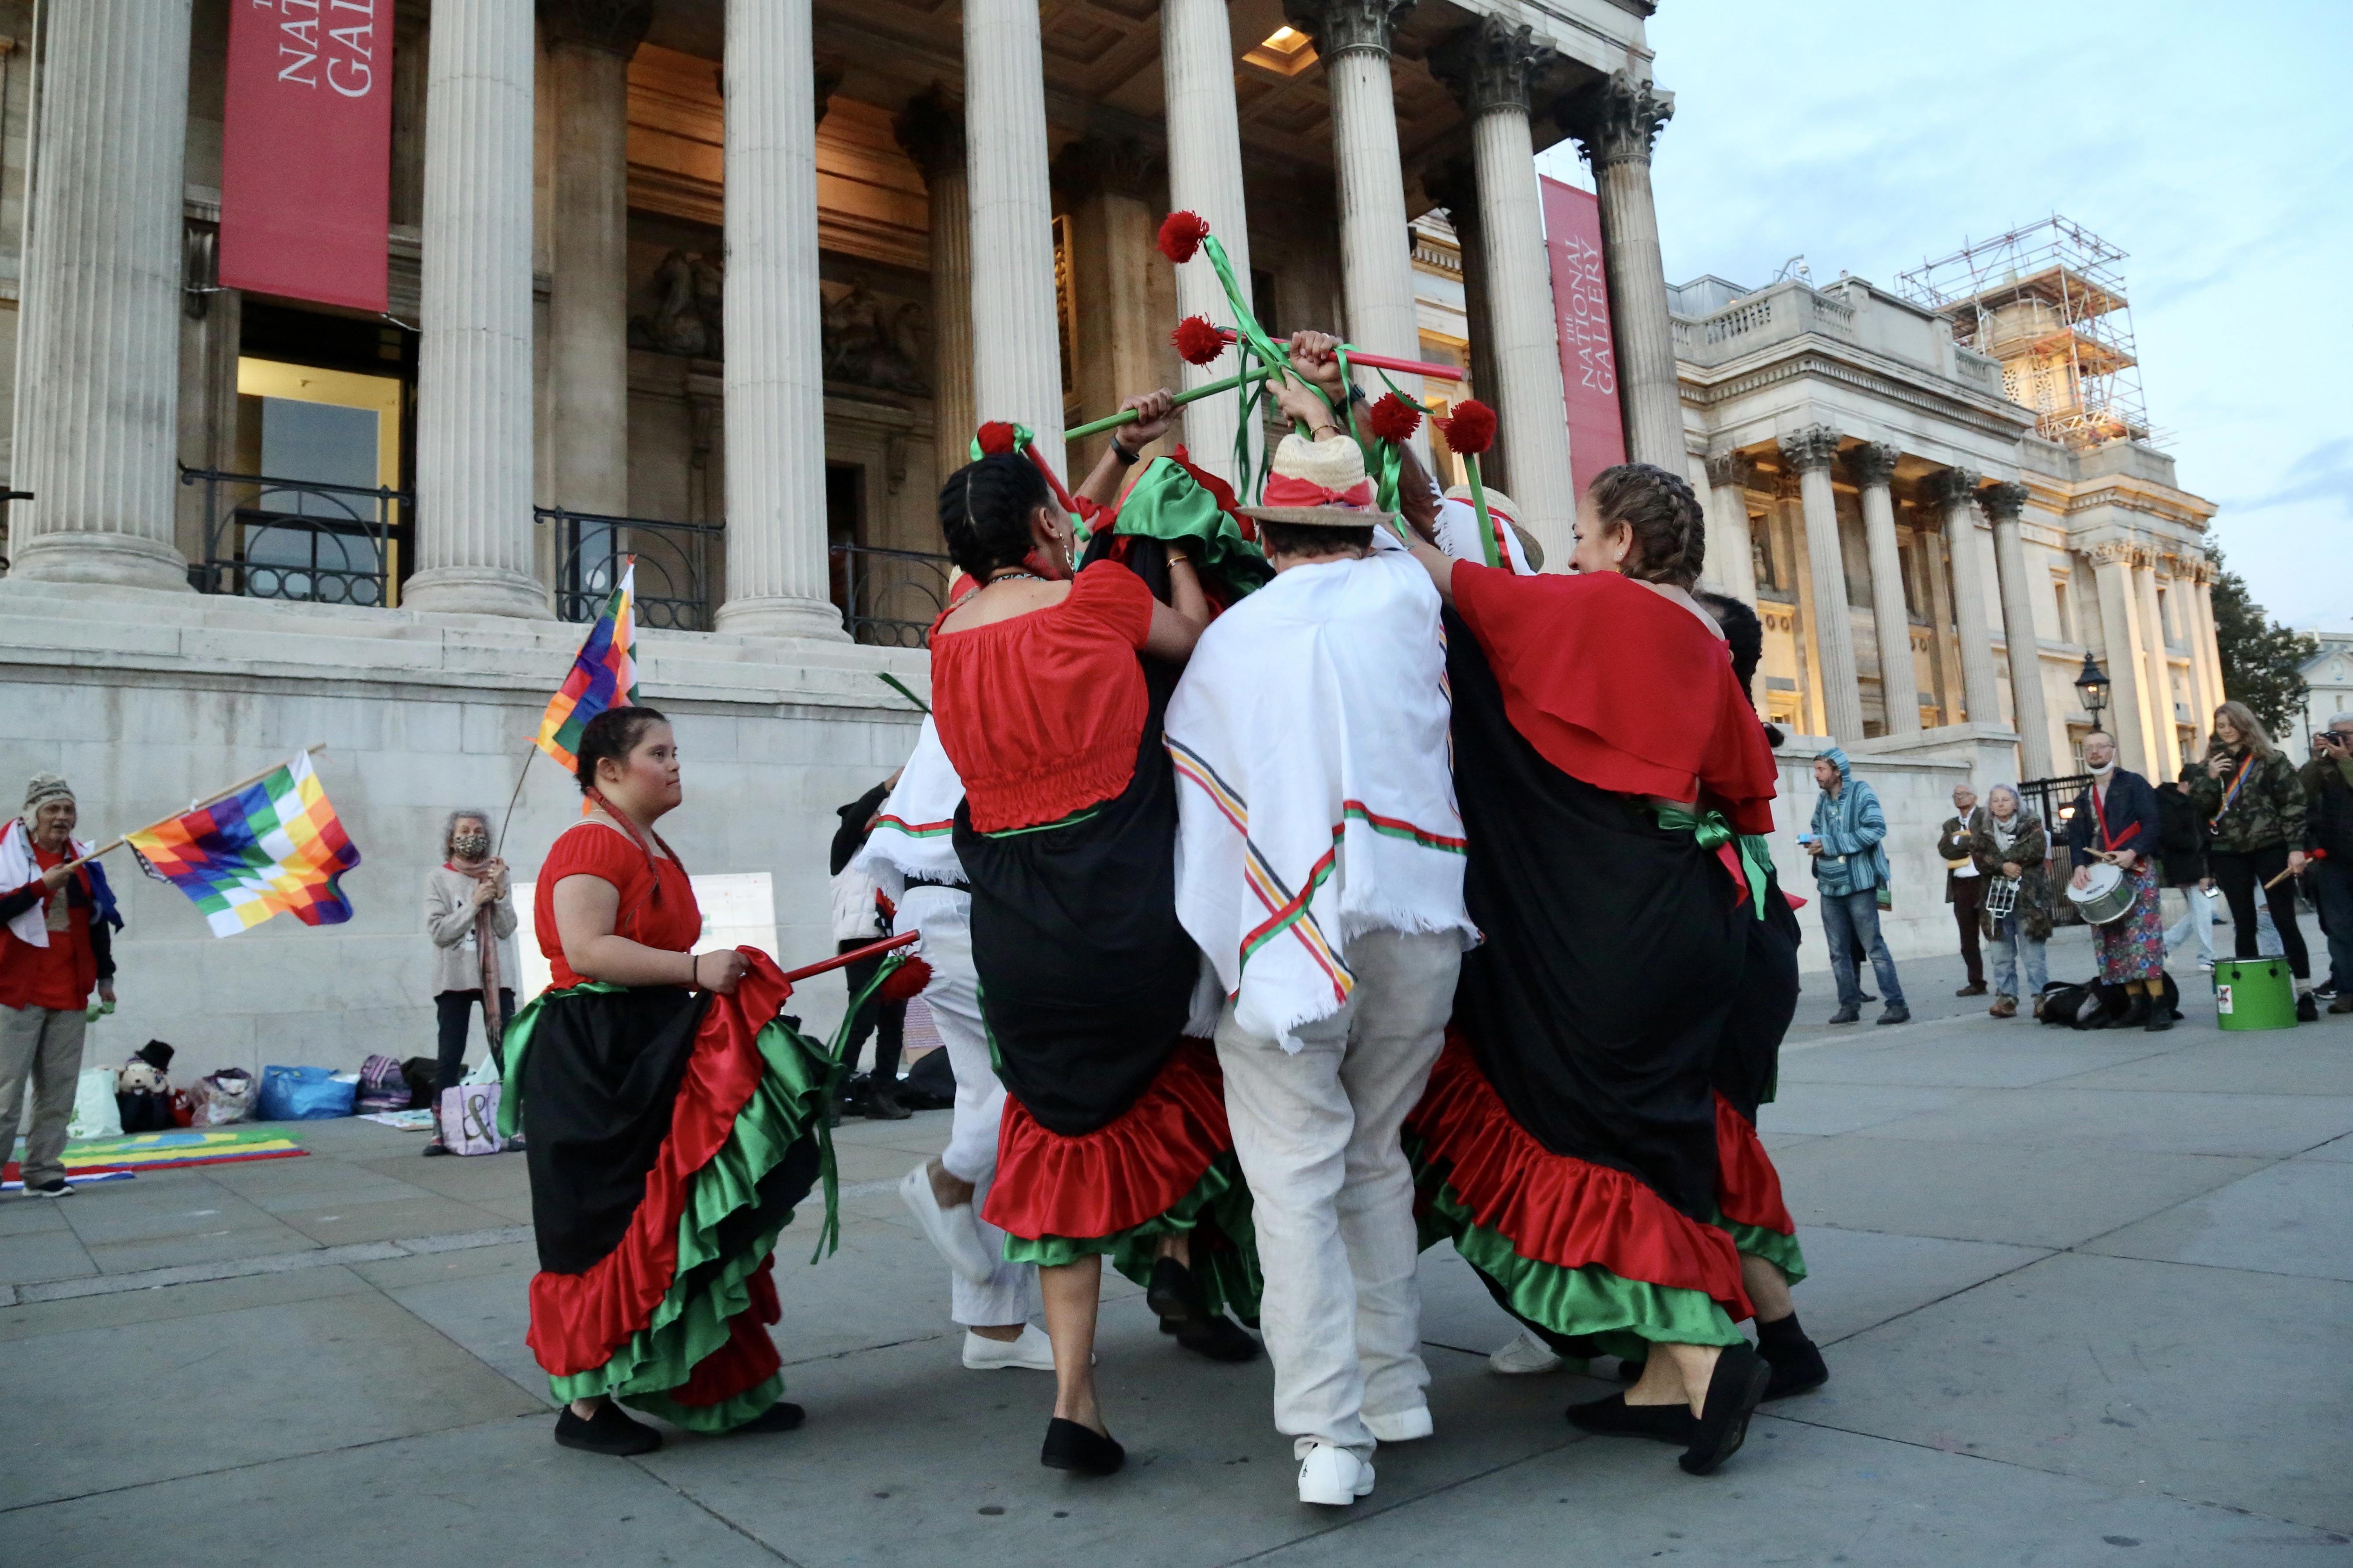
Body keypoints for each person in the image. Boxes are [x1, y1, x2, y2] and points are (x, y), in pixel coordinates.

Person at [1393, 451, 1781, 1479]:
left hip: (1608, 914)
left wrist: (1379, 496)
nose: (1568, 550)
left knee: (1586, 1123)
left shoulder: (1602, 608)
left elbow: (1457, 589)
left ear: (1620, 542)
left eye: (1578, 531)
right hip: (1691, 905)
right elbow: (1747, 791)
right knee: (1658, 1132)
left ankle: (1703, 1358)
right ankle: (1660, 1383)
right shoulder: (1704, 638)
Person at [1162, 348, 1478, 1507]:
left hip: (1289, 934)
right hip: (1416, 914)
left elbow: (1200, 809)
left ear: (1263, 530)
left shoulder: (1231, 644)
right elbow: (1420, 515)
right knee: (1373, 1155)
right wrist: (1324, 415)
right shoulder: (1406, 594)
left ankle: (1328, 1433)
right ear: (1358, 523)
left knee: (1291, 1180)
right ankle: (1395, 1389)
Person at [928, 392, 1258, 1480]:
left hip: (1015, 929)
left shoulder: (946, 638)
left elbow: (1034, 548)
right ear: (1040, 531)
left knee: (1061, 1132)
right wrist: (1162, 554)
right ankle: (1179, 1254)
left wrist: (1114, 460)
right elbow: (1196, 641)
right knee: (1195, 1087)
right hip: (1122, 910)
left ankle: (1077, 1398)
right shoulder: (1100, 598)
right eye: (1057, 519)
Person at [499, 705, 827, 1455]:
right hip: (594, 1056)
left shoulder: (650, 843)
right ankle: (582, 1410)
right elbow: (587, 950)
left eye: (676, 750)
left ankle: (716, 1385)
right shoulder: (590, 841)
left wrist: (709, 979)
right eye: (659, 752)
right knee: (610, 1225)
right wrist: (694, 970)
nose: (676, 764)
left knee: (685, 1211)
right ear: (608, 770)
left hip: (648, 1041)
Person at [859, 712, 1058, 1373]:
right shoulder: (987, 685)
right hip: (961, 908)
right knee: (1031, 1087)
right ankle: (946, 1177)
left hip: (940, 908)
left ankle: (992, 1326)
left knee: (986, 1095)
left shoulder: (959, 692)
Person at [0, 773, 121, 1198]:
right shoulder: (5, 856)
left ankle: (44, 1171)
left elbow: (98, 921)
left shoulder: (84, 860)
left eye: (69, 809)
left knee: (58, 1092)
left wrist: (106, 976)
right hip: (14, 990)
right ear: (33, 815)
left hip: (70, 990)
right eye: (53, 809)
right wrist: (39, 888)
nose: (63, 817)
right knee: (5, 1092)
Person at [2184, 702, 2316, 1022]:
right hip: (2228, 851)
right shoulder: (2207, 766)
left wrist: (2296, 847)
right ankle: (2251, 992)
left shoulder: (2270, 761)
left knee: (2284, 919)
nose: (2225, 730)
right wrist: (2209, 778)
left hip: (2270, 846)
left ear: (2245, 725)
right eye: (2220, 725)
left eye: (2231, 724)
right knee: (2243, 923)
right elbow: (2199, 811)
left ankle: (2304, 992)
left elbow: (2293, 803)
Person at [421, 809, 517, 1154]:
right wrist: (475, 903)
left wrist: (500, 894)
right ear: (451, 839)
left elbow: (506, 929)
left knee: (507, 1051)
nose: (471, 835)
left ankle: (514, 1126)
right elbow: (440, 932)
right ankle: (441, 1129)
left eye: (477, 830)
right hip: (455, 978)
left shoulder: (496, 875)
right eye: (463, 830)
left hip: (497, 979)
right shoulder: (438, 878)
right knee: (450, 1053)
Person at [2065, 730, 2171, 1031]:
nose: (2094, 752)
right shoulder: (2083, 797)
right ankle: (2135, 1006)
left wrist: (2133, 851)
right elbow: (2077, 838)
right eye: (2088, 748)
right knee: (2113, 941)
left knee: (2143, 939)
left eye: (2101, 746)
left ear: (2113, 750)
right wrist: (2078, 866)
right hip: (2103, 873)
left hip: (2134, 869)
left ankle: (2159, 1005)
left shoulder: (2133, 784)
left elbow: (2152, 823)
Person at [1807, 750, 1909, 1025]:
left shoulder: (1862, 792)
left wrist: (1830, 844)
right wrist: (1813, 841)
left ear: (1837, 771)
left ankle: (1897, 1004)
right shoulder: (1822, 800)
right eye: (1815, 769)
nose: (1816, 775)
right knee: (1838, 951)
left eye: (1820, 769)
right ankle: (1849, 1005)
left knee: (1873, 946)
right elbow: (1817, 827)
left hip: (1859, 883)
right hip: (1829, 885)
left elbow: (1876, 829)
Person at [827, 776, 909, 1120]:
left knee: (893, 1023)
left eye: (879, 815)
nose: (875, 820)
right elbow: (857, 816)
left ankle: (882, 1094)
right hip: (860, 943)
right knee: (861, 1021)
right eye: (870, 817)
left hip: (894, 944)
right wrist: (887, 786)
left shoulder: (890, 857)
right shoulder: (845, 853)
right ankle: (834, 1094)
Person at [1971, 784, 2052, 1019]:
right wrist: (2002, 866)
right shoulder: (1982, 828)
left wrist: (2002, 861)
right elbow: (1979, 857)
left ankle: (2041, 998)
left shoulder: (2031, 824)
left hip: (2029, 901)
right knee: (2000, 954)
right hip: (1996, 901)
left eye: (2005, 799)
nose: (2000, 804)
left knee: (2033, 955)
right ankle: (2006, 998)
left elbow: (2036, 849)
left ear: (2015, 803)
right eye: (1995, 800)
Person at [2300, 713, 2353, 1014]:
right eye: (2334, 735)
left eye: (2345, 735)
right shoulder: (2324, 767)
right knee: (2338, 927)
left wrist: (2345, 759)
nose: (2339, 740)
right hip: (2332, 858)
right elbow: (2301, 792)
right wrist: (2316, 758)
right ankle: (2345, 990)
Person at [2155, 779, 2215, 971]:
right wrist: (2197, 842)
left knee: (2203, 910)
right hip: (2189, 866)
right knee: (2204, 909)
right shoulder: (2172, 804)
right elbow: (2172, 836)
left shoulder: (2187, 804)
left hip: (2199, 864)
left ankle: (2165, 944)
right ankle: (2206, 957)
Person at [1937, 784, 1990, 997]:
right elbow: (1944, 849)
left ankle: (2006, 980)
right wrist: (1966, 844)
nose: (1959, 798)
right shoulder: (1950, 824)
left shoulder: (1985, 817)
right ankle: (1976, 981)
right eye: (1955, 795)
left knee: (1993, 932)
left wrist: (1961, 841)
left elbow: (1984, 842)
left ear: (1975, 797)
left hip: (1983, 881)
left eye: (1963, 794)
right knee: (1967, 938)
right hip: (1961, 884)